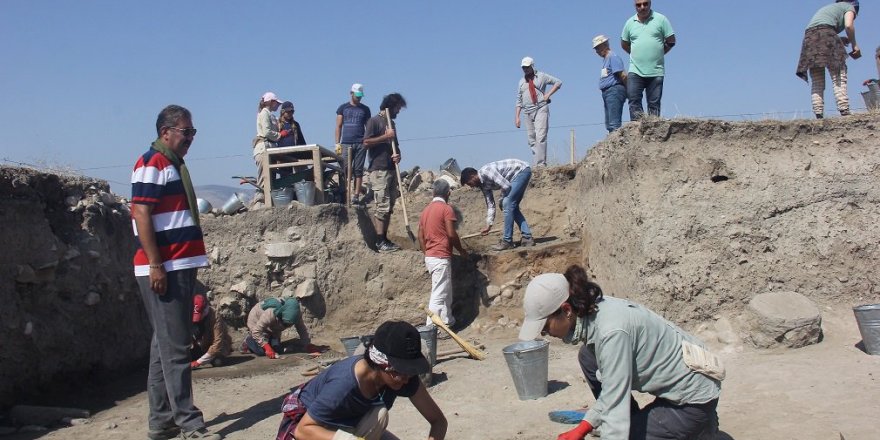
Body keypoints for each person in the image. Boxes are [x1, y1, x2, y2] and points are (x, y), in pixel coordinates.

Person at [520, 266, 722, 440]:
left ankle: (700, 427)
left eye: (545, 326)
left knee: (627, 434)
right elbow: (611, 389)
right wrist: (584, 427)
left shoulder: (611, 332)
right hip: (679, 386)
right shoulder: (594, 311)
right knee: (588, 357)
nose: (545, 333)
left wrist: (614, 429)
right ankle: (642, 422)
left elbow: (615, 406)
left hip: (692, 399)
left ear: (566, 310)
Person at [131, 105, 220, 440]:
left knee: (163, 346)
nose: (190, 139)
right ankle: (189, 424)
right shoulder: (152, 163)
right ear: (165, 131)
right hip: (164, 267)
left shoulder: (171, 165)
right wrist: (156, 264)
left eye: (193, 133)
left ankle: (161, 420)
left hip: (177, 266)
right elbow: (141, 213)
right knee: (177, 348)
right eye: (187, 132)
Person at [276, 321, 447, 440]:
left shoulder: (403, 377)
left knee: (378, 415)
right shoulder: (345, 384)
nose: (405, 379)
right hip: (309, 431)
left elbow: (438, 421)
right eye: (400, 372)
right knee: (378, 416)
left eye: (409, 371)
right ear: (381, 363)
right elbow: (303, 431)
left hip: (347, 427)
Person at [796, 0, 861, 119]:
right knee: (838, 72)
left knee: (817, 78)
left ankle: (818, 112)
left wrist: (838, 39)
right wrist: (854, 45)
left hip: (809, 38)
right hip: (826, 34)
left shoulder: (830, 8)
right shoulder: (849, 7)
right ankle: (844, 109)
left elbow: (819, 29)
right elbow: (848, 25)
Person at [418, 180, 468, 329]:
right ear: (448, 193)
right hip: (440, 257)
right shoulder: (446, 209)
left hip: (431, 256)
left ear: (433, 193)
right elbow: (451, 234)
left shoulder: (425, 210)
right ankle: (430, 329)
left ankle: (448, 321)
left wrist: (427, 253)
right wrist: (461, 250)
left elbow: (420, 236)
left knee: (446, 291)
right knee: (439, 294)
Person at [363, 93, 407, 253]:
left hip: (391, 168)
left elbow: (395, 145)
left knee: (389, 206)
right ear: (391, 106)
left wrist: (398, 155)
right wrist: (384, 137)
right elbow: (366, 142)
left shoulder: (391, 123)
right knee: (381, 205)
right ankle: (379, 241)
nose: (399, 111)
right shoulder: (374, 121)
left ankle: (385, 238)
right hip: (378, 169)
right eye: (398, 108)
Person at [460, 159, 534, 251]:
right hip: (514, 177)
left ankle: (507, 241)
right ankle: (527, 238)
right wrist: (489, 224)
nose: (471, 186)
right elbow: (490, 204)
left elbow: (506, 185)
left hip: (521, 171)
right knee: (511, 206)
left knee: (506, 203)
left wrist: (501, 199)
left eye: (469, 183)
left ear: (472, 176)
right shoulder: (483, 185)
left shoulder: (486, 172)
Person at [621, 0, 675, 120]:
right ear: (634, 5)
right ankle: (637, 133)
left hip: (656, 71)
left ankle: (653, 134)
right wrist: (635, 54)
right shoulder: (630, 23)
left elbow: (671, 41)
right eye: (638, 5)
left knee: (654, 105)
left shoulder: (661, 19)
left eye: (645, 4)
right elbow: (624, 43)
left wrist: (660, 53)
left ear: (650, 3)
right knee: (634, 101)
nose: (642, 7)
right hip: (635, 70)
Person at [515, 57, 562, 167]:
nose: (525, 69)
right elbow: (518, 99)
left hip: (540, 108)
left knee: (540, 136)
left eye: (527, 67)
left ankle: (540, 165)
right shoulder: (521, 82)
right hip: (527, 112)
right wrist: (517, 117)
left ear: (532, 66)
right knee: (531, 139)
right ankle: (536, 164)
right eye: (523, 68)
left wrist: (548, 94)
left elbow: (558, 82)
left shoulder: (542, 76)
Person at [242, 297, 315, 358]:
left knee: (277, 349)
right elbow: (256, 331)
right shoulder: (270, 312)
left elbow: (302, 330)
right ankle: (248, 341)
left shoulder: (295, 314)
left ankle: (267, 339)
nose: (286, 326)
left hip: (273, 327)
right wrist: (266, 346)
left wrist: (308, 345)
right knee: (262, 352)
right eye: (285, 323)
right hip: (256, 322)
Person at [336, 83, 372, 205]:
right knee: (345, 168)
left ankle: (356, 195)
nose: (359, 98)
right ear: (351, 93)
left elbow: (368, 127)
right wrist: (337, 143)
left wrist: (367, 140)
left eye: (360, 96)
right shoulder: (343, 108)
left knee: (358, 169)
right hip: (346, 143)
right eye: (357, 95)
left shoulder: (365, 109)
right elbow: (338, 126)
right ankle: (344, 192)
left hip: (360, 142)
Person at [593, 35, 628, 133]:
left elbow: (623, 75)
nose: (597, 51)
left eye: (598, 47)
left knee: (614, 123)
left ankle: (616, 142)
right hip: (608, 92)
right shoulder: (606, 59)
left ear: (605, 45)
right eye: (596, 49)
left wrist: (629, 90)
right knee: (609, 123)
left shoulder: (613, 57)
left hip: (614, 90)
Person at [253, 92, 285, 191]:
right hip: (264, 149)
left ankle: (267, 201)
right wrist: (280, 135)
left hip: (268, 148)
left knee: (270, 179)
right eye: (277, 103)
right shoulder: (264, 113)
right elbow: (267, 132)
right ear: (271, 102)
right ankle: (260, 202)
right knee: (264, 179)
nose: (278, 105)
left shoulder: (270, 115)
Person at [190, 293, 232, 369]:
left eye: (201, 314)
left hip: (217, 346)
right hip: (201, 345)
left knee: (218, 362)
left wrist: (198, 362)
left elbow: (217, 343)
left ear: (206, 309)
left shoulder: (215, 318)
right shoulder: (189, 313)